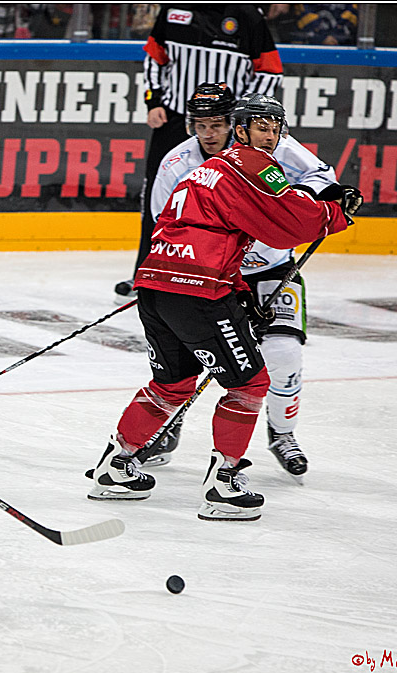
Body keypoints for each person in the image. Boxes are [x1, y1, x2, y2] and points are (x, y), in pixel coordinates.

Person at [88, 94, 363, 521]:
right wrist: (334, 213)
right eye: (261, 127)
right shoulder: (253, 164)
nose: (269, 136)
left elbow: (196, 230)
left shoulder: (207, 169)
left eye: (275, 128)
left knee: (172, 384)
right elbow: (287, 223)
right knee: (250, 384)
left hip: (156, 284)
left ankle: (114, 467)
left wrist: (233, 291)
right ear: (241, 130)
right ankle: (223, 485)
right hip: (198, 291)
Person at [140, 83, 340, 481]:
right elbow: (165, 223)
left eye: (217, 124)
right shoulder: (176, 162)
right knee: (190, 359)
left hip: (270, 269)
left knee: (283, 354)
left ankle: (282, 434)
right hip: (211, 276)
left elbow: (323, 178)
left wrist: (292, 202)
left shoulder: (272, 145)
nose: (209, 133)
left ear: (234, 124)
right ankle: (170, 421)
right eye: (200, 125)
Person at [114, 4, 284, 302]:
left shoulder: (247, 16)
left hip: (228, 125)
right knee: (159, 197)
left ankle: (230, 274)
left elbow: (270, 71)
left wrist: (246, 118)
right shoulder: (173, 9)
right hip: (176, 118)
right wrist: (154, 101)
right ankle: (149, 273)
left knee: (235, 196)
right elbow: (155, 56)